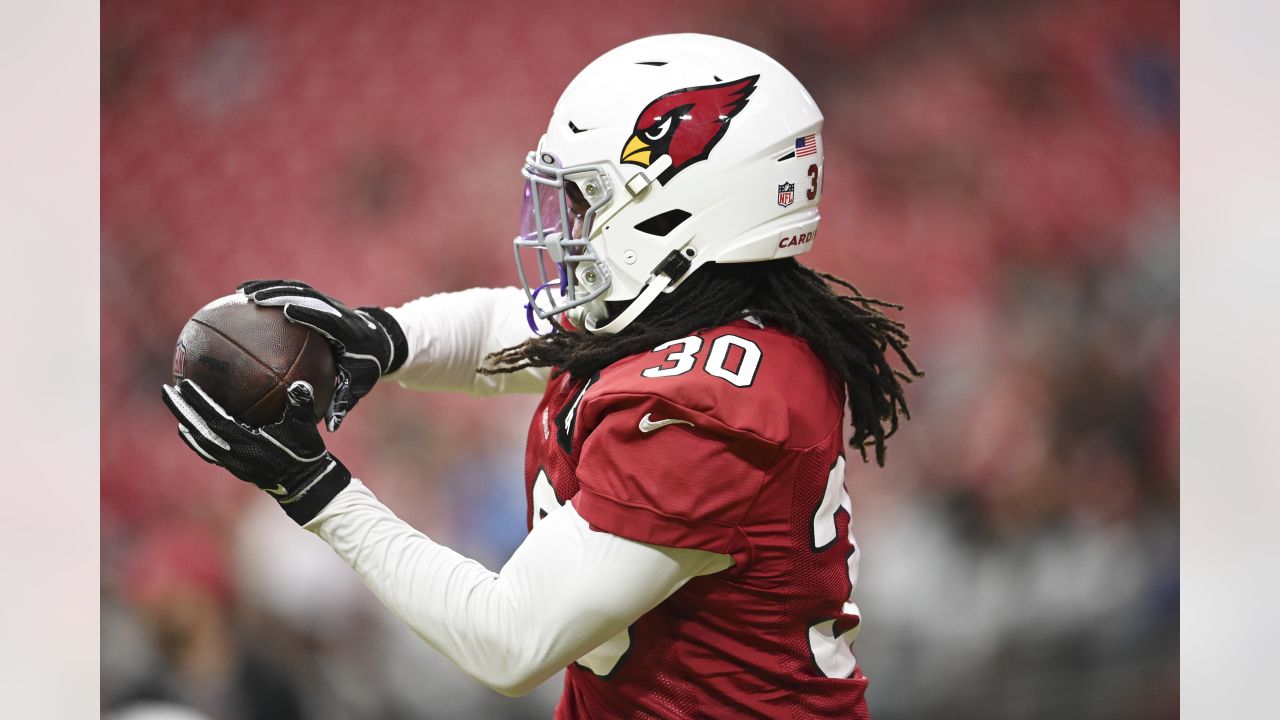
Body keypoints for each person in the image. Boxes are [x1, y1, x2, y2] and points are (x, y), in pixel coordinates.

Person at [162, 33, 920, 718]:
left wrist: (316, 493)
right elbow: (504, 327)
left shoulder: (709, 407)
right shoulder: (688, 316)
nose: (571, 225)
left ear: (679, 207)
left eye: (590, 198)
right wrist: (381, 337)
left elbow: (512, 641)